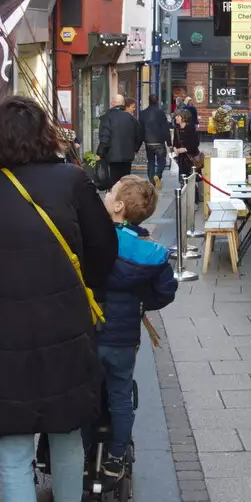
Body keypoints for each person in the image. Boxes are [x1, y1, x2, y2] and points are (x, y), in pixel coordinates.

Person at [0, 96, 118, 502]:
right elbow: (104, 249)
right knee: (66, 425)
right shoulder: (70, 181)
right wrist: (79, 289)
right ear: (45, 135)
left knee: (11, 448)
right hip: (61, 326)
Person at [94, 176, 178, 478]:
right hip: (124, 339)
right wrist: (140, 300)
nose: (106, 193)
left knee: (85, 394)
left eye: (111, 192)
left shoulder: (95, 241)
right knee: (120, 396)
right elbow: (166, 290)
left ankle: (78, 453)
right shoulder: (149, 252)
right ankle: (116, 457)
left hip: (90, 335)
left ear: (117, 206)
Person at [96, 93, 141, 186]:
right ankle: (125, 198)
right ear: (123, 104)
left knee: (114, 181)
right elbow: (139, 135)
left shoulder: (107, 117)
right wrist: (135, 148)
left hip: (112, 155)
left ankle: (115, 197)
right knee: (125, 180)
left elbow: (105, 137)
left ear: (113, 103)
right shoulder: (130, 118)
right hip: (127, 155)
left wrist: (100, 153)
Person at [138, 95, 171, 187]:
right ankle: (157, 174)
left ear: (149, 101)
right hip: (159, 142)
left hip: (148, 141)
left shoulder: (142, 113)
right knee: (162, 160)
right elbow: (165, 128)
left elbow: (140, 129)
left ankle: (151, 181)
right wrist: (169, 143)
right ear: (157, 101)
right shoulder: (161, 113)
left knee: (151, 161)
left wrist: (139, 142)